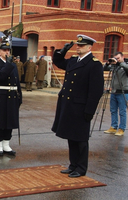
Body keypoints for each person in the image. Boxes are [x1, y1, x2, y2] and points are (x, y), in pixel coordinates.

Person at [52, 34, 104, 178]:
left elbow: (96, 91)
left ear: (89, 47)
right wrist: (62, 51)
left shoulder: (94, 64)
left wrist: (90, 110)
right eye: (77, 45)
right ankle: (73, 165)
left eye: (81, 46)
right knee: (71, 137)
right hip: (69, 105)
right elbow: (58, 61)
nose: (78, 48)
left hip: (81, 108)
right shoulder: (74, 60)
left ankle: (81, 168)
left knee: (80, 139)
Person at [0, 39, 22, 157]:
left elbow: (17, 81)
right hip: (2, 96)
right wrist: (8, 65)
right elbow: (0, 77)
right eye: (4, 50)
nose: (7, 52)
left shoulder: (12, 64)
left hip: (12, 96)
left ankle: (6, 144)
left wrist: (20, 96)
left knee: (10, 122)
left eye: (8, 50)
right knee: (1, 122)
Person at [103, 52, 128, 136]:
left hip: (123, 92)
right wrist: (108, 63)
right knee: (113, 110)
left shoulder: (125, 65)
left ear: (122, 57)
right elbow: (104, 68)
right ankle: (113, 127)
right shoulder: (114, 66)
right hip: (114, 91)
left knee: (122, 111)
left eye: (118, 58)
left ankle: (121, 128)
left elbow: (126, 67)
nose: (116, 60)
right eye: (115, 58)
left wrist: (120, 63)